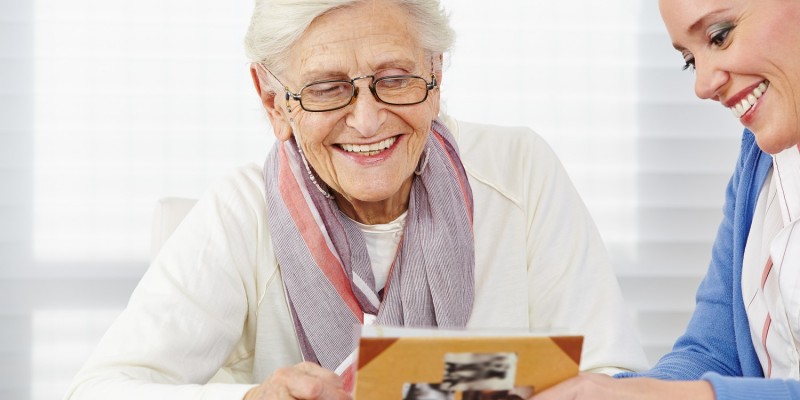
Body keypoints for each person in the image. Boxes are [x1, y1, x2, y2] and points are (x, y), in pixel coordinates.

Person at [63, 1, 647, 399]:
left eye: (395, 77)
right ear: (273, 101)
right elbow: (101, 388)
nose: (367, 121)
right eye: (325, 88)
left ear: (436, 74)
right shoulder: (240, 212)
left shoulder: (520, 171)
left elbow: (612, 373)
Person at [533, 0, 800, 399]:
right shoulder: (759, 162)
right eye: (690, 60)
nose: (703, 84)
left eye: (719, 35)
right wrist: (597, 390)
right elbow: (712, 354)